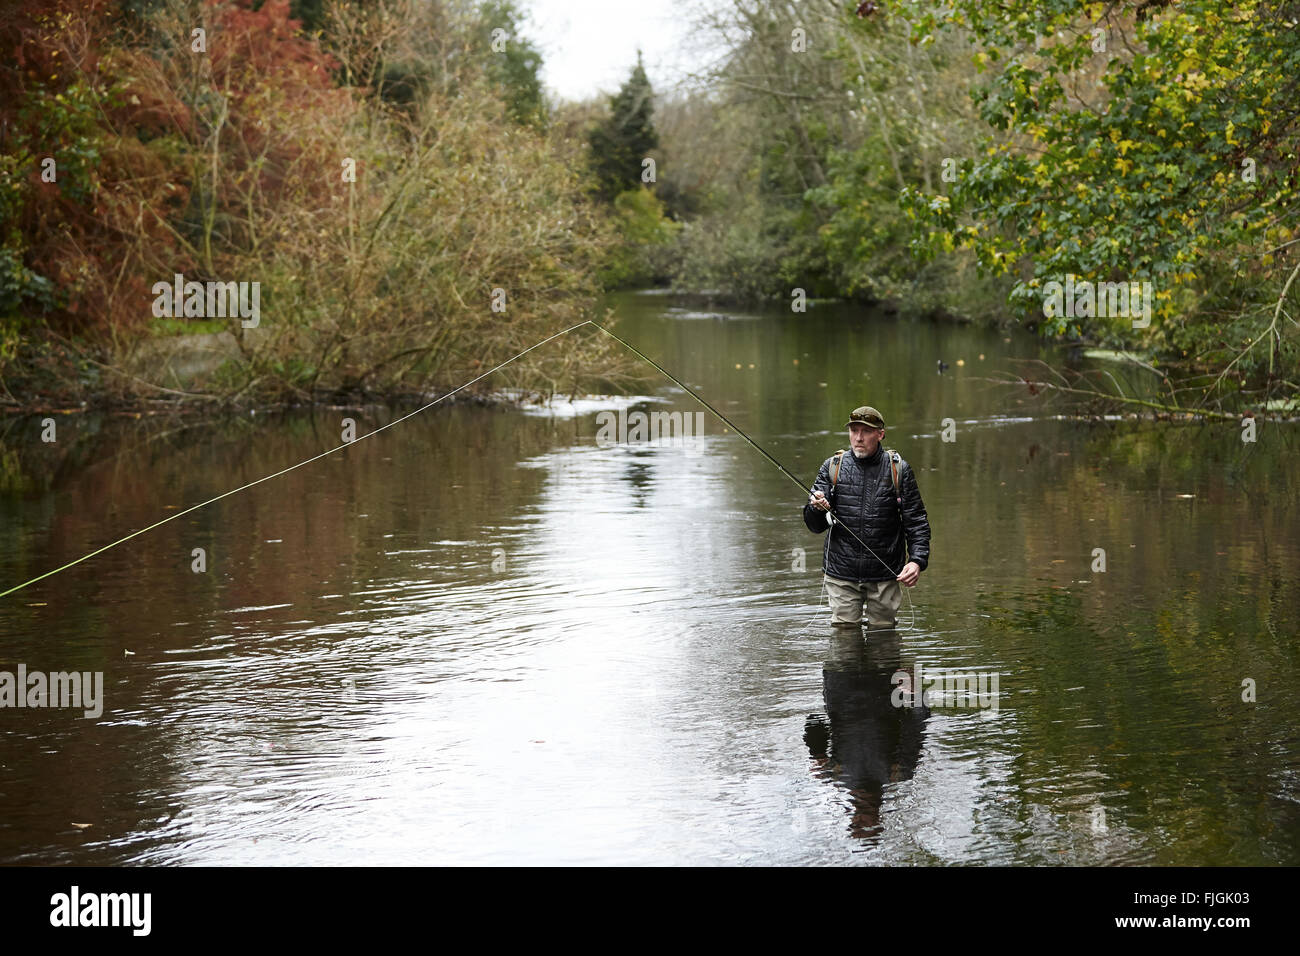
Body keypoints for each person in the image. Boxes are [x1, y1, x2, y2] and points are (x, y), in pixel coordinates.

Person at [802, 406, 930, 629]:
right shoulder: (832, 467)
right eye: (854, 430)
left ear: (880, 434)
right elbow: (814, 525)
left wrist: (917, 561)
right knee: (844, 642)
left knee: (884, 639)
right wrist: (817, 508)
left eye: (866, 431)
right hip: (842, 573)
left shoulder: (898, 470)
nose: (858, 437)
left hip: (885, 573)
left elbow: (916, 521)